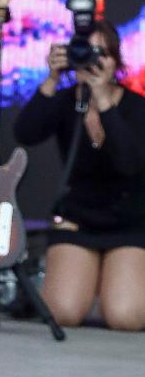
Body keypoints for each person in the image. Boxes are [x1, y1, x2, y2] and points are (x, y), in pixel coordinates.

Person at [13, 22, 145, 330]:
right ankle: (95, 283)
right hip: (79, 219)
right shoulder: (67, 100)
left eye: (103, 53)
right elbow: (26, 133)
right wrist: (52, 78)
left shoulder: (137, 107)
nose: (94, 61)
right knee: (62, 313)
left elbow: (128, 163)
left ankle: (119, 283)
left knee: (125, 317)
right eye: (87, 52)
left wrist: (103, 100)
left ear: (116, 60)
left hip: (129, 222)